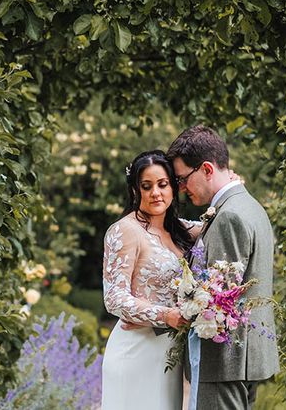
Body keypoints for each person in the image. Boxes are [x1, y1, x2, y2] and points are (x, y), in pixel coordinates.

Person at [167, 125, 279, 410]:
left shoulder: (229, 216)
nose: (180, 189)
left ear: (206, 169)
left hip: (225, 363)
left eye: (182, 179)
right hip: (244, 359)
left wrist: (186, 301)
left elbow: (217, 299)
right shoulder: (248, 205)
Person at [101, 150, 200, 410]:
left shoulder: (179, 230)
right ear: (136, 190)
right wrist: (166, 315)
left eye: (162, 184)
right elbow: (114, 298)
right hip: (135, 351)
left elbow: (216, 223)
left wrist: (231, 186)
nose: (156, 192)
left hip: (168, 355)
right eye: (147, 186)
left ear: (173, 187)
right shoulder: (125, 230)